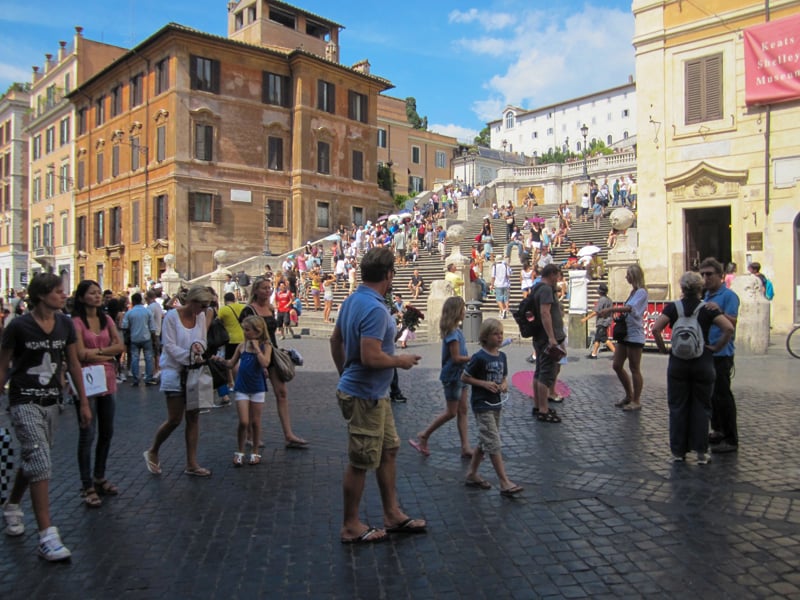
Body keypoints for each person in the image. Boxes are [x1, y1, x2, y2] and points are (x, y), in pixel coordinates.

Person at [330, 247, 425, 544]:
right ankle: (350, 525)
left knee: (389, 450)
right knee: (361, 460)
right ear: (388, 275)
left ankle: (392, 513)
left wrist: (343, 371)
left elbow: (336, 340)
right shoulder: (374, 308)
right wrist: (400, 361)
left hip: (373, 393)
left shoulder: (353, 300)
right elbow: (371, 357)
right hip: (365, 395)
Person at [0, 273, 91, 561]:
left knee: (34, 459)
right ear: (41, 295)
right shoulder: (18, 326)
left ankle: (13, 504)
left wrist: (83, 401)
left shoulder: (65, 324)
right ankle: (47, 536)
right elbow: (2, 366)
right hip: (23, 399)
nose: (64, 295)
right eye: (58, 291)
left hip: (53, 401)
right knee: (40, 460)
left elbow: (73, 363)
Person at [652, 272, 734, 464]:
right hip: (702, 361)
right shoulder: (708, 308)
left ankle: (678, 452)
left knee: (678, 406)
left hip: (678, 362)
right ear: (700, 288)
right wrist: (715, 347)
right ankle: (701, 453)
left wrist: (664, 349)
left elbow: (656, 329)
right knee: (702, 407)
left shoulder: (674, 308)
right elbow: (728, 328)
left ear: (682, 288)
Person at [144, 285, 215, 478]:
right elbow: (169, 346)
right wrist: (190, 357)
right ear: (191, 302)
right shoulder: (172, 317)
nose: (203, 310)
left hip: (193, 371)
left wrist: (199, 351)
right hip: (174, 371)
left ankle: (192, 463)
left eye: (206, 306)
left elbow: (202, 339)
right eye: (201, 305)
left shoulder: (200, 316)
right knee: (175, 419)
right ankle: (153, 449)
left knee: (193, 417)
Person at [71, 280, 126, 508]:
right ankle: (87, 485)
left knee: (107, 432)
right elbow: (79, 354)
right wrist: (107, 354)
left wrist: (97, 353)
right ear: (82, 297)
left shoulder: (107, 319)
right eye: (92, 293)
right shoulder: (75, 323)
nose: (97, 296)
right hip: (86, 383)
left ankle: (99, 476)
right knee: (87, 435)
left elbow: (120, 346)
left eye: (98, 293)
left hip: (107, 381)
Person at [239, 278, 307, 448]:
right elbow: (245, 335)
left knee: (282, 393)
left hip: (272, 352)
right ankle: (250, 434)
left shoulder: (270, 308)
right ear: (255, 290)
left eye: (270, 288)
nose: (268, 291)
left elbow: (272, 333)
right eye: (264, 288)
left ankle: (288, 434)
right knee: (252, 394)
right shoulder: (249, 310)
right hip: (255, 354)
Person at [461, 318, 522, 496]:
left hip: (496, 403)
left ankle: (472, 473)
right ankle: (504, 482)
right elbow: (465, 377)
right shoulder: (479, 357)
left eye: (501, 334)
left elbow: (503, 376)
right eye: (496, 334)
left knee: (485, 440)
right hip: (482, 404)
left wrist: (504, 384)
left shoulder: (502, 356)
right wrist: (483, 384)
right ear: (485, 337)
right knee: (493, 442)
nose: (499, 337)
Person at [409, 297, 473, 459]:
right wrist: (473, 358)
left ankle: (465, 446)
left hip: (461, 375)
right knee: (452, 412)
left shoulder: (456, 331)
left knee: (463, 410)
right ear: (456, 311)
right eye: (462, 309)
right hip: (453, 376)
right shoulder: (452, 333)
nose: (465, 312)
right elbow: (456, 358)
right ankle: (425, 434)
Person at [217, 315, 272, 467]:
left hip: (257, 387)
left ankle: (254, 452)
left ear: (258, 331)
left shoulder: (265, 346)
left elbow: (265, 362)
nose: (245, 333)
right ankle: (240, 451)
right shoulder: (241, 346)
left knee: (255, 422)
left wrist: (256, 349)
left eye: (247, 330)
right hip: (241, 387)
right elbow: (231, 363)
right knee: (244, 421)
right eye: (244, 330)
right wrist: (221, 361)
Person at [699, 257, 740, 453]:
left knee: (723, 395)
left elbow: (733, 321)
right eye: (703, 274)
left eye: (709, 274)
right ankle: (718, 429)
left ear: (720, 276)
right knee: (711, 395)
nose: (705, 278)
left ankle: (731, 438)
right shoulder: (705, 295)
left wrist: (720, 311)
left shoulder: (728, 296)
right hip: (707, 350)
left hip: (722, 351)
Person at [597, 264, 648, 411]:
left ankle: (636, 400)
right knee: (617, 365)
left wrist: (611, 309)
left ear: (634, 276)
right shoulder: (633, 292)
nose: (626, 277)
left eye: (628, 274)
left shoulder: (641, 292)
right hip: (625, 333)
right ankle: (629, 395)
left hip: (635, 334)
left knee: (634, 367)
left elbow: (630, 308)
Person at [530, 265, 566, 423]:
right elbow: (545, 313)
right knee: (545, 373)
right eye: (557, 276)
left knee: (539, 371)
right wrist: (552, 337)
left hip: (539, 336)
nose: (558, 279)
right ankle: (543, 409)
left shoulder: (536, 288)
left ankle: (539, 406)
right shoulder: (545, 290)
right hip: (546, 338)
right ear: (552, 274)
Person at [121, 292, 157, 386]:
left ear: (133, 301)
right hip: (146, 337)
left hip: (134, 338)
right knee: (148, 358)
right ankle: (148, 378)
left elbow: (124, 326)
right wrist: (154, 339)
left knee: (134, 358)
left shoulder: (130, 313)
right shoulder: (147, 311)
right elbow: (152, 327)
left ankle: (136, 378)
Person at [587, 283, 616, 359]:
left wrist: (586, 318)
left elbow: (596, 311)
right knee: (597, 338)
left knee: (604, 338)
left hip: (602, 322)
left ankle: (616, 353)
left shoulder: (602, 300)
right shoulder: (609, 300)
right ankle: (594, 354)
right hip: (607, 321)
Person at [145, 290, 164, 379]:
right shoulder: (158, 306)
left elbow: (148, 319)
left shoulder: (150, 307)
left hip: (152, 332)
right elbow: (162, 316)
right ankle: (157, 368)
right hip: (158, 331)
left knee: (153, 352)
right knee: (157, 351)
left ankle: (155, 370)